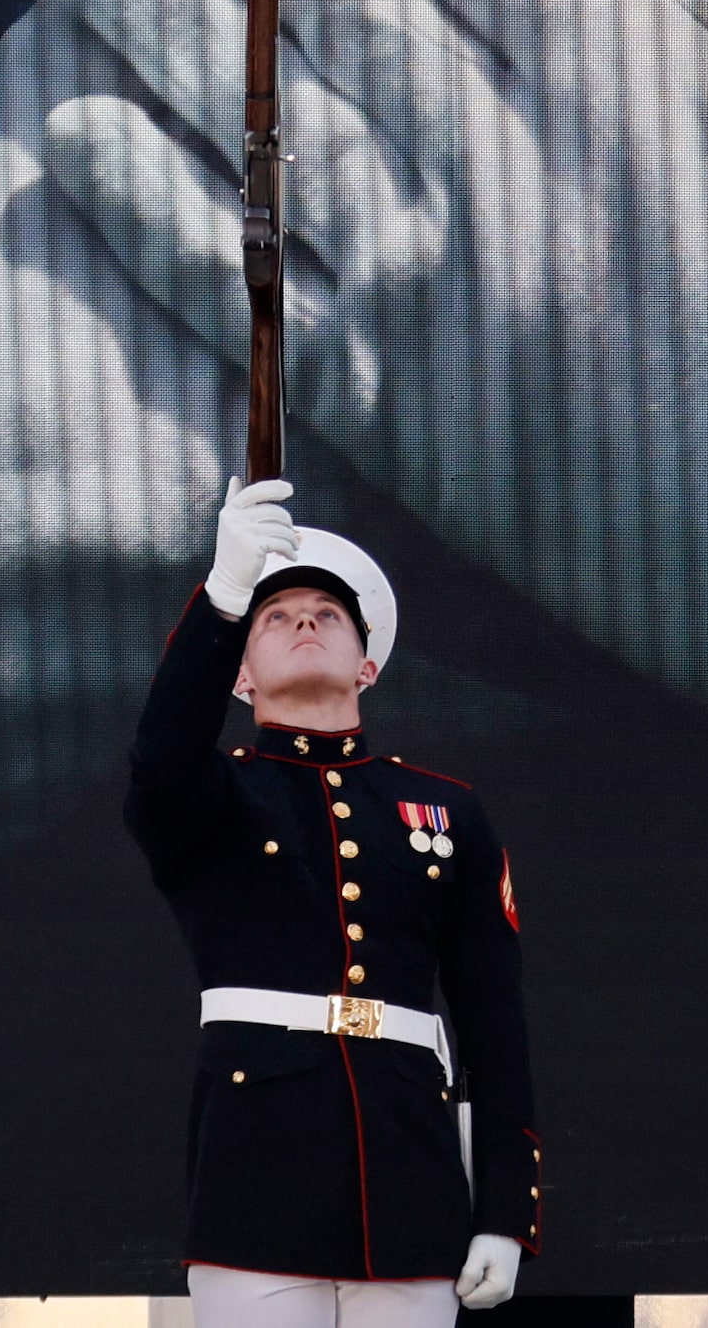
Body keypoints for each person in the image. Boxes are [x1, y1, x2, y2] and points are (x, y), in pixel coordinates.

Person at [127, 477, 540, 1328]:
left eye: (326, 613)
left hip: (410, 1185)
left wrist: (504, 1209)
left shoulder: (446, 811)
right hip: (257, 1184)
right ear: (240, 674)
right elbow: (161, 760)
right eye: (274, 617)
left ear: (368, 662)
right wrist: (222, 596)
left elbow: (493, 1024)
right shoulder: (213, 798)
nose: (303, 621)